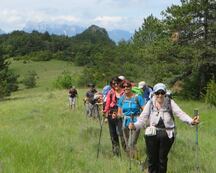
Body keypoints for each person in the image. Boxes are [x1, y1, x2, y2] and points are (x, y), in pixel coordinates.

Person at [129, 83, 200, 173]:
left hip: (167, 134)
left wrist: (191, 121)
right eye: (157, 93)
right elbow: (143, 118)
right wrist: (135, 126)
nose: (160, 95)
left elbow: (180, 113)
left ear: (165, 93)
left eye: (162, 92)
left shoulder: (170, 102)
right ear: (154, 93)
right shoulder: (150, 103)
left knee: (162, 159)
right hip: (152, 134)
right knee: (152, 158)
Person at [117, 80, 145, 157]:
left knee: (131, 143)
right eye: (124, 87)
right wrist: (118, 115)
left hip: (135, 122)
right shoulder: (122, 99)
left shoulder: (138, 97)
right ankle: (132, 158)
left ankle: (136, 160)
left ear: (131, 87)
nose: (126, 88)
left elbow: (145, 110)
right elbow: (119, 111)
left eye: (128, 86)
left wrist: (141, 119)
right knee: (127, 144)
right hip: (125, 122)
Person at [103, 77, 126, 156]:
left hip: (121, 115)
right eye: (113, 83)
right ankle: (116, 154)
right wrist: (106, 115)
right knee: (113, 134)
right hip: (111, 114)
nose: (115, 85)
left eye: (117, 83)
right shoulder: (111, 92)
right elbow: (107, 104)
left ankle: (127, 151)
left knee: (122, 134)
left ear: (120, 83)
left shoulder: (124, 92)